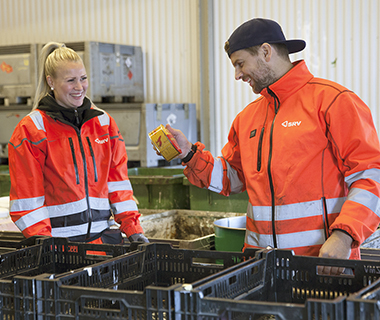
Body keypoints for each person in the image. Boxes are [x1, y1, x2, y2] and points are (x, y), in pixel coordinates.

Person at [157, 18, 380, 273]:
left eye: (240, 64)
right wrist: (189, 155)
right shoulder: (247, 118)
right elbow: (233, 178)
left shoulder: (333, 102)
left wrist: (344, 236)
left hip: (323, 264)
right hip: (262, 269)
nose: (237, 75)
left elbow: (371, 175)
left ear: (265, 51)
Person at [8, 42, 148, 245]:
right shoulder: (31, 130)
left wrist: (133, 228)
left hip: (104, 244)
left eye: (83, 79)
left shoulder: (104, 124)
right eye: (70, 80)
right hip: (61, 246)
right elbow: (26, 201)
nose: (79, 87)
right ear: (51, 81)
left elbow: (118, 184)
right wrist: (47, 245)